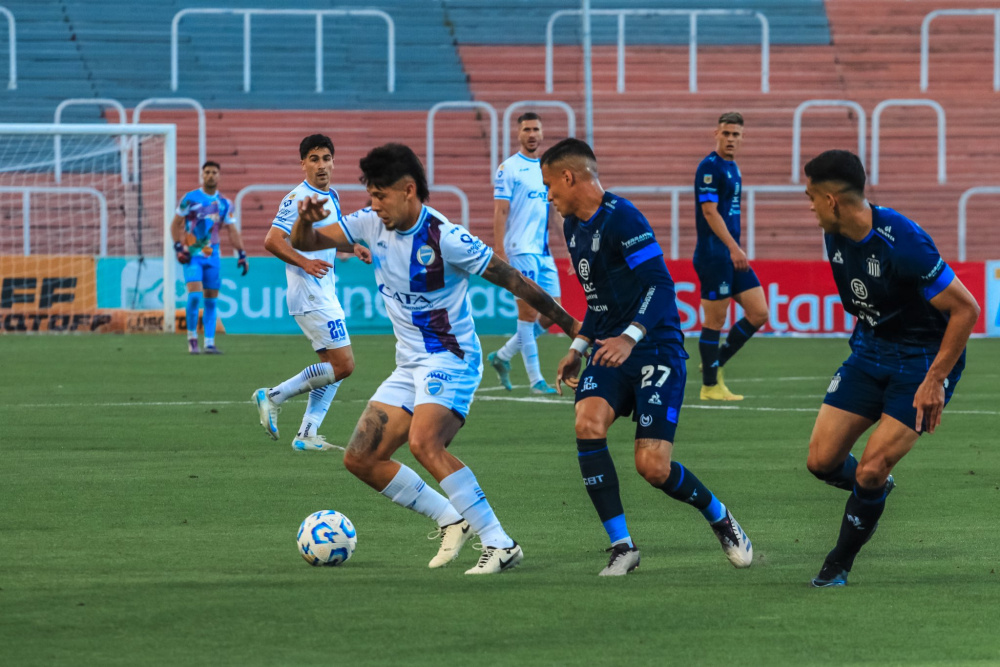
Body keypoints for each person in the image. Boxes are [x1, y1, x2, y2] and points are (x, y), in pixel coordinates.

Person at [290, 143, 580, 574]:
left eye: (380, 195)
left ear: (409, 190)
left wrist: (575, 328)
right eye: (370, 195)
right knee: (360, 458)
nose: (374, 204)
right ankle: (451, 517)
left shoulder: (446, 238)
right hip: (410, 365)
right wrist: (304, 221)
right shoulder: (369, 224)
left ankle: (500, 543)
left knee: (426, 442)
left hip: (452, 359)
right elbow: (306, 242)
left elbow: (515, 281)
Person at [546, 138, 753, 576]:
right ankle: (623, 546)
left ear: (569, 177)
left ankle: (718, 515)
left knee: (653, 467)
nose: (549, 196)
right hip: (610, 348)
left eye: (550, 185)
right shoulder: (572, 227)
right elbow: (598, 301)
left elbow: (660, 286)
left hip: (655, 346)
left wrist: (629, 337)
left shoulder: (624, 218)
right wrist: (577, 347)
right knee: (587, 422)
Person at [802, 150, 979, 587]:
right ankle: (876, 489)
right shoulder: (836, 231)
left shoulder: (904, 243)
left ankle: (838, 563)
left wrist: (935, 379)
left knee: (869, 468)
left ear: (831, 200)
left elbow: (967, 309)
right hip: (869, 351)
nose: (807, 206)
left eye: (809, 197)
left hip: (921, 363)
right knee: (822, 462)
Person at [252, 134, 370, 453]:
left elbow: (328, 238)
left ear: (334, 161)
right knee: (343, 365)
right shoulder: (297, 199)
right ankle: (272, 396)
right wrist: (304, 261)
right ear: (302, 163)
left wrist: (353, 246)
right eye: (314, 159)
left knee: (332, 368)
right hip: (309, 294)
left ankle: (307, 432)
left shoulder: (331, 196)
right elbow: (272, 240)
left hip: (323, 292)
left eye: (326, 158)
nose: (321, 165)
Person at [693, 112, 768, 400]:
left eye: (736, 134)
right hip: (715, 255)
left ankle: (716, 363)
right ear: (716, 134)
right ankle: (710, 387)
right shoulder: (709, 168)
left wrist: (735, 249)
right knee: (715, 321)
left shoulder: (732, 167)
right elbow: (709, 211)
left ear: (742, 137)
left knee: (759, 312)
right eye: (726, 133)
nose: (731, 139)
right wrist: (734, 247)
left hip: (731, 255)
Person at [487, 112, 562, 394]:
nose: (532, 134)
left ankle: (502, 356)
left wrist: (566, 244)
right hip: (519, 249)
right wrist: (499, 248)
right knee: (528, 312)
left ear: (542, 134)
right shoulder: (509, 168)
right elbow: (500, 210)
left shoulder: (547, 168)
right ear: (518, 134)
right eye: (527, 129)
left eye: (536, 129)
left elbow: (554, 209)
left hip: (543, 252)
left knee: (554, 312)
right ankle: (536, 380)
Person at [171, 161, 247, 355]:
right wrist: (178, 246)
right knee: (195, 296)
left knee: (212, 301)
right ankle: (192, 340)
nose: (211, 175)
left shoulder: (225, 203)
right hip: (193, 256)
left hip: (213, 256)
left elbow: (232, 230)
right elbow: (175, 224)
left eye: (214, 172)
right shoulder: (190, 198)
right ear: (202, 175)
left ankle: (210, 343)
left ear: (219, 176)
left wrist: (241, 254)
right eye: (207, 172)